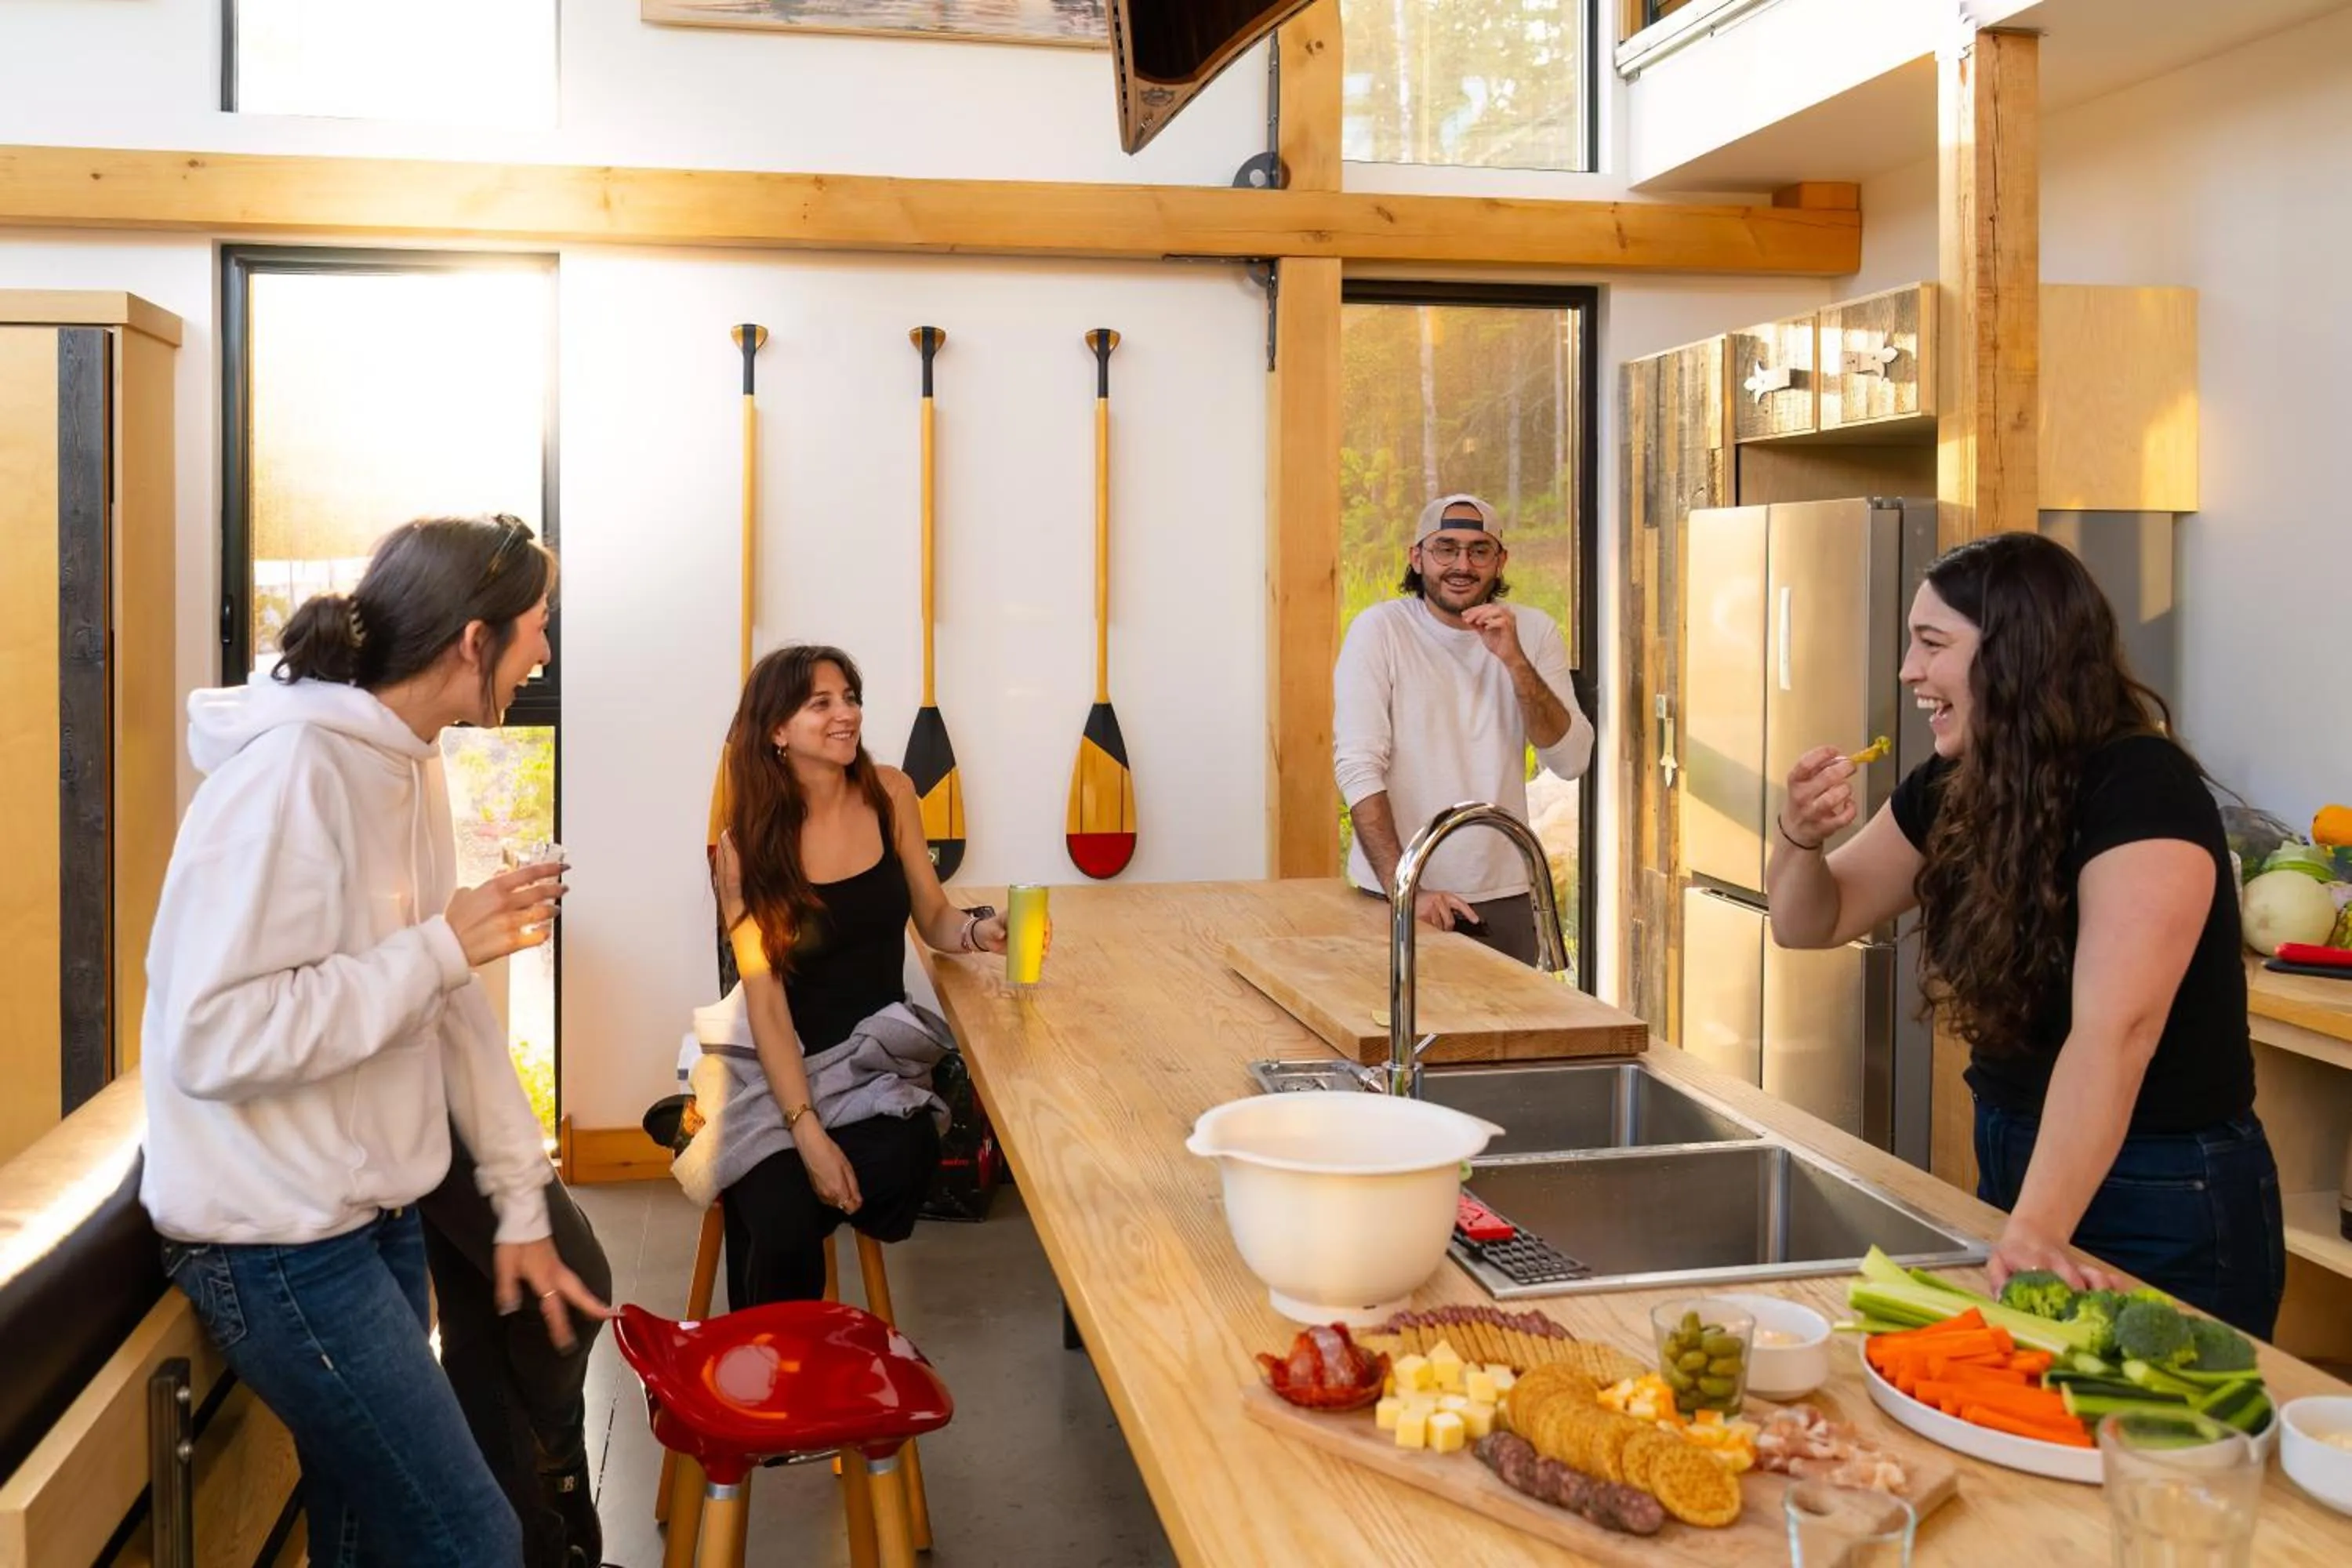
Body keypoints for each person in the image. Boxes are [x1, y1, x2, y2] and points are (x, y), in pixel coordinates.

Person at [140, 515, 612, 1566]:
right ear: (472, 642)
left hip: (366, 1214)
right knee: (474, 1536)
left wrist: (520, 1204)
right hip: (272, 1244)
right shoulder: (285, 780)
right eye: (538, 628)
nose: (547, 652)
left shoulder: (410, 765)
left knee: (361, 1534)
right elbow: (211, 1036)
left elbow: (450, 1011)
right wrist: (440, 948)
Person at [1766, 531, 2285, 1338]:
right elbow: (1812, 920)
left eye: (1932, 644)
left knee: (2164, 1446)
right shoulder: (1955, 782)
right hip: (2023, 1157)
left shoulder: (2142, 788)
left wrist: (2037, 1225)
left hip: (2163, 1187)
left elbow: (2118, 1032)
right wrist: (1797, 835)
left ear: (2016, 653)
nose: (1908, 670)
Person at [694, 644, 1029, 1308]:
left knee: (898, 1167)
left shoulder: (892, 793)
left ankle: (783, 1337)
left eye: (850, 697)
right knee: (784, 1216)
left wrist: (976, 932)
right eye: (822, 703)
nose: (846, 714)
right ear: (777, 730)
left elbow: (931, 913)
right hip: (777, 1064)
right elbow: (764, 1002)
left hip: (877, 1067)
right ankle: (779, 1383)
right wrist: (806, 1129)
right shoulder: (743, 851)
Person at [1331, 492, 1594, 966]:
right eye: (1445, 548)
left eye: (1479, 550)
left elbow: (1571, 760)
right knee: (1394, 1033)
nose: (1462, 565)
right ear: (1418, 557)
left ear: (1500, 560)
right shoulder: (1381, 631)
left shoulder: (1532, 633)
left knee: (1503, 1037)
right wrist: (1406, 887)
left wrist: (1515, 662)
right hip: (1399, 893)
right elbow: (1358, 767)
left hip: (1507, 891)